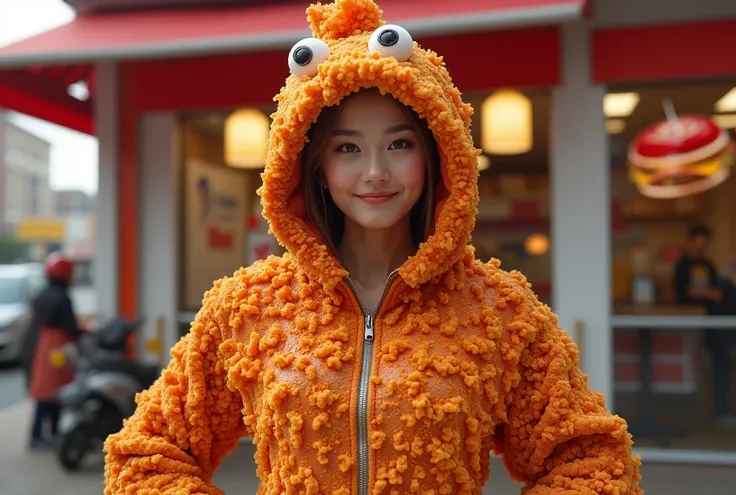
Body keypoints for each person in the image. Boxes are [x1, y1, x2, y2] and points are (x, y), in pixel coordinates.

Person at [103, 1, 642, 493]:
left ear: (438, 152)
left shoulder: (500, 310)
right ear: (312, 163)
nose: (376, 172)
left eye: (399, 143)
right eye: (347, 148)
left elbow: (595, 463)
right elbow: (143, 459)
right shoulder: (247, 306)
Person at [673, 224, 736, 426]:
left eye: (705, 242)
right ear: (691, 241)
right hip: (699, 322)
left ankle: (722, 409)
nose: (701, 246)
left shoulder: (708, 264)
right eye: (698, 241)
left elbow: (718, 289)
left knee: (721, 363)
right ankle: (721, 410)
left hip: (715, 321)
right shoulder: (683, 264)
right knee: (717, 364)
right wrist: (709, 294)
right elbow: (682, 292)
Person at [25, 251, 81, 450]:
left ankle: (36, 435)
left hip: (44, 346)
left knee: (43, 393)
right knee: (58, 392)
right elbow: (72, 327)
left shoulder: (40, 295)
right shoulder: (63, 298)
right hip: (59, 349)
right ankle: (52, 434)